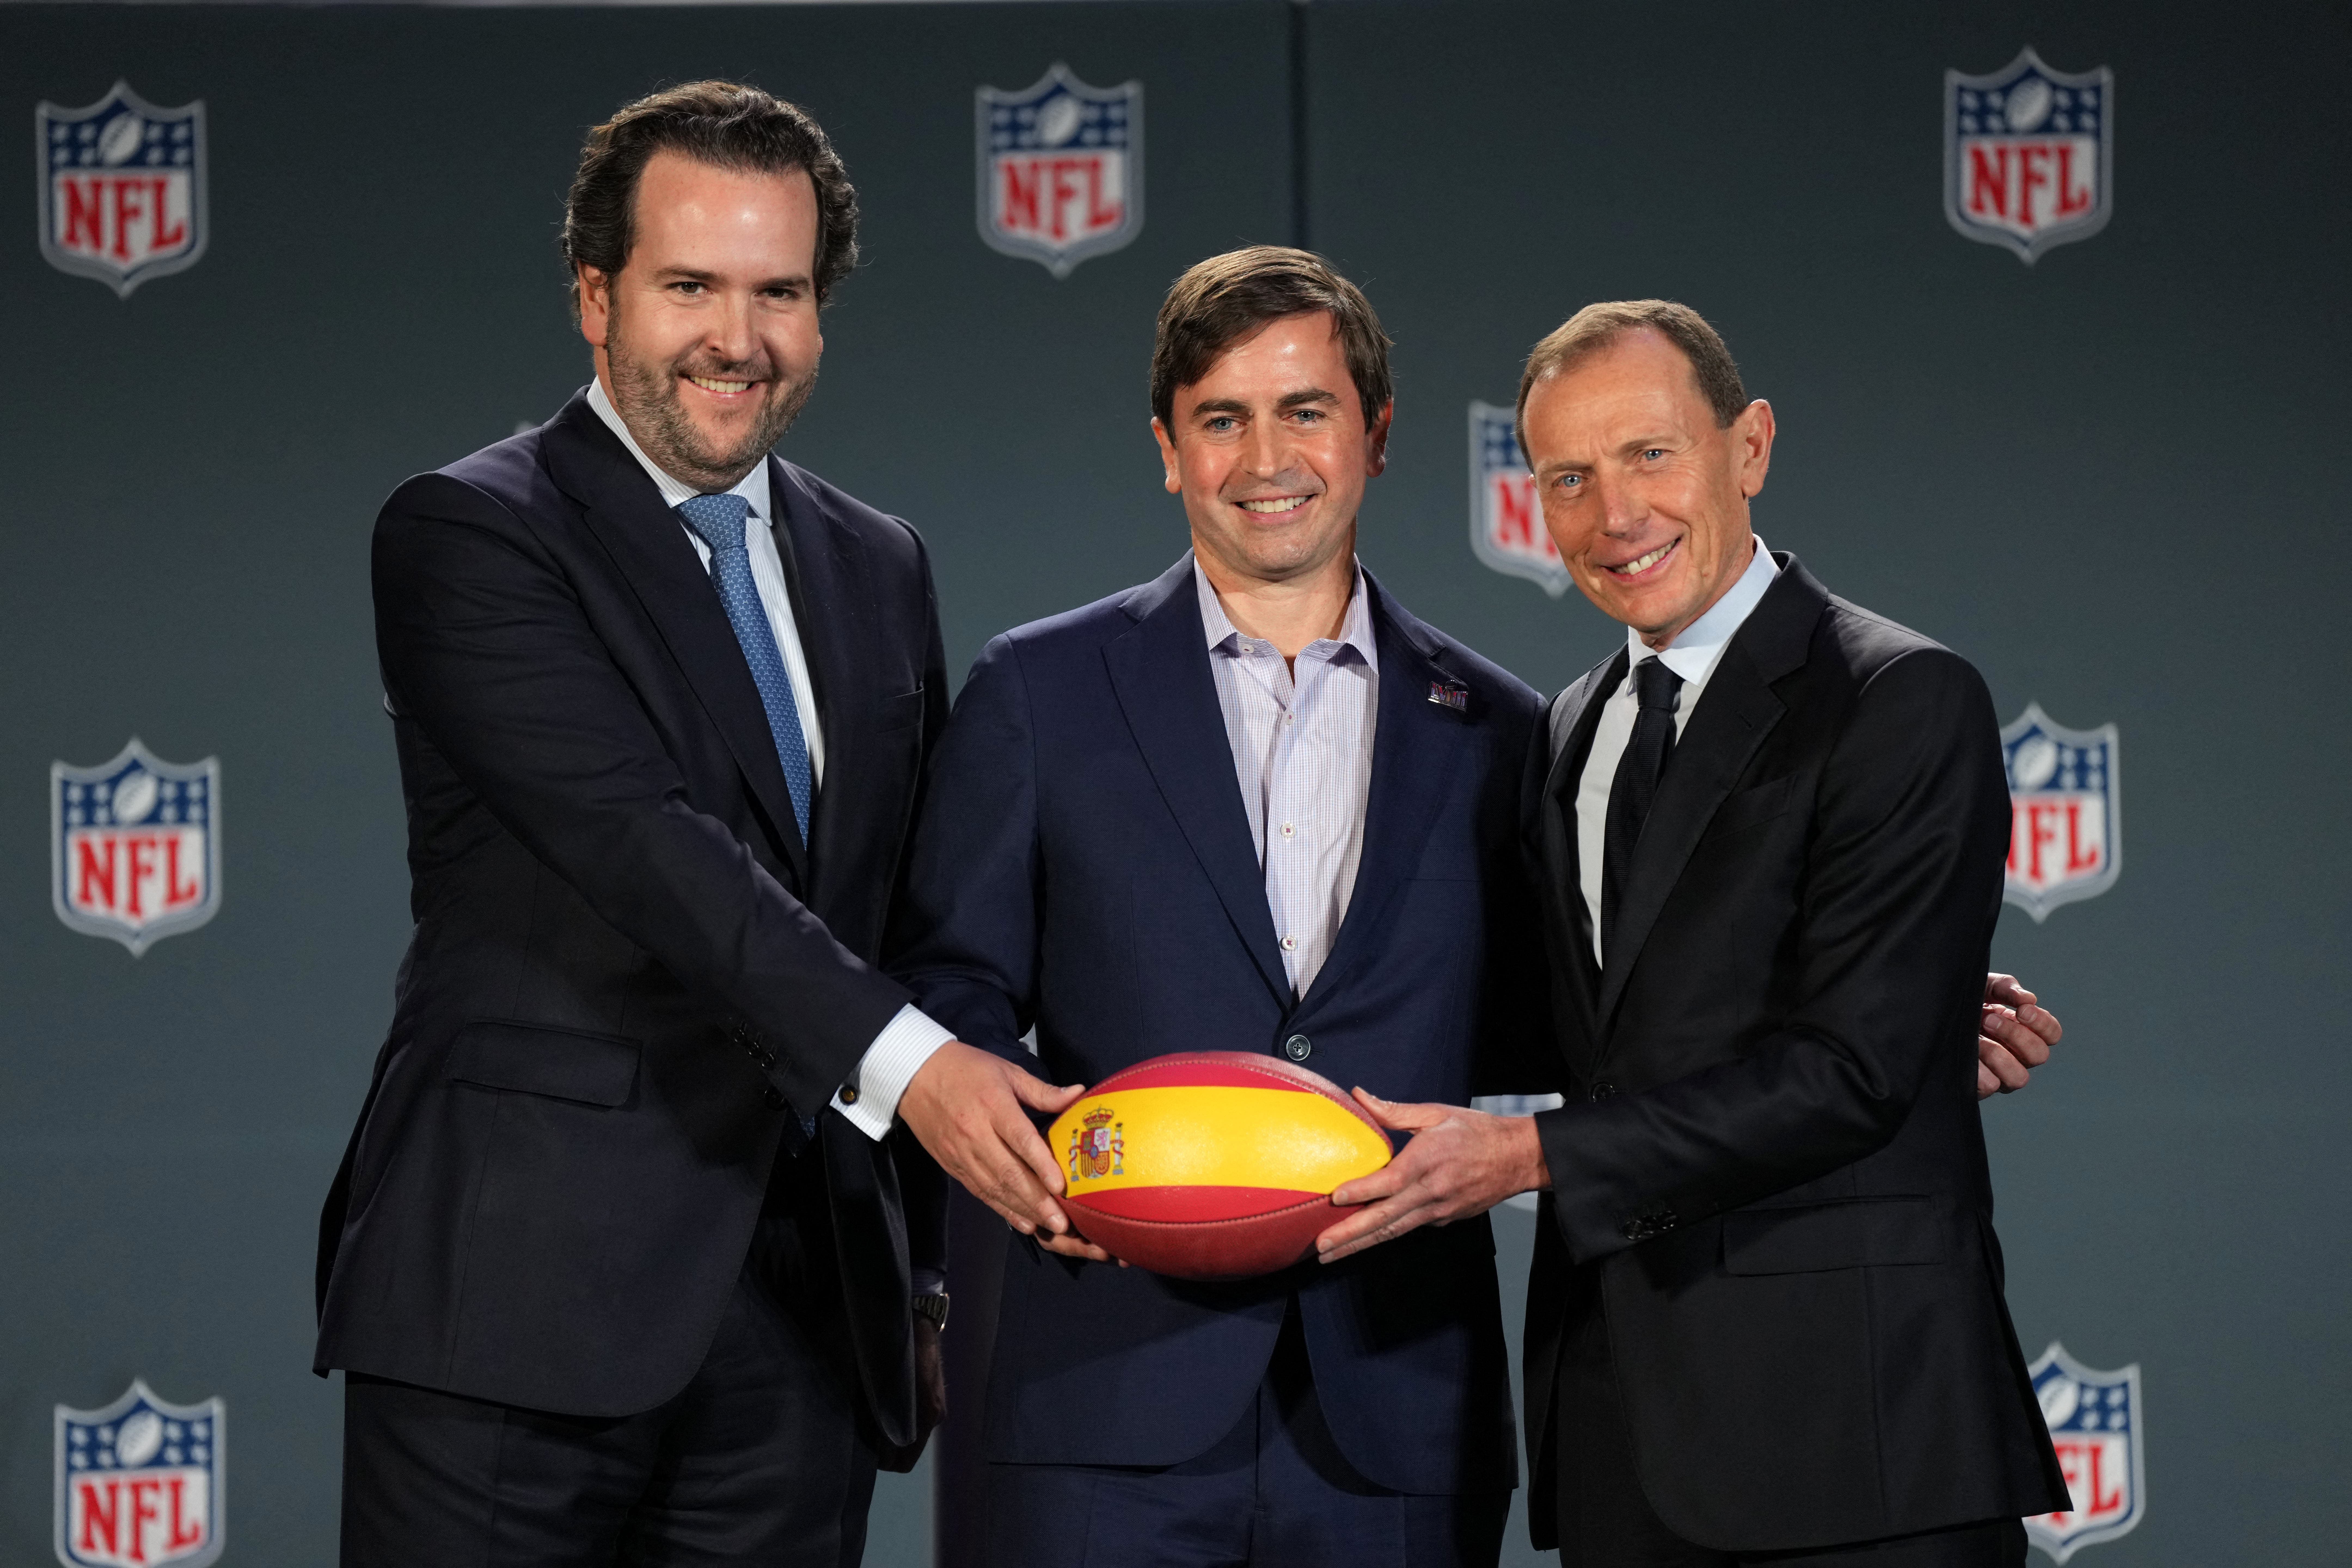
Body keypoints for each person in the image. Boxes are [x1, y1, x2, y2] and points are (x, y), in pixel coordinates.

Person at [889, 252, 2061, 1566]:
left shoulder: (1507, 730)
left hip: (1397, 1414)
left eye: (1307, 411)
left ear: (1379, 438)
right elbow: (950, 1001)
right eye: (1222, 418)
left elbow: (1564, 1026)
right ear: (1168, 449)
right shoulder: (1040, 691)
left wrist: (1883, 1011)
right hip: (1104, 1391)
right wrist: (1035, 1183)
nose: (1266, 457)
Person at [312, 81, 1080, 1564]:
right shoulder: (471, 531)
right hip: (512, 1316)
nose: (740, 337)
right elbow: (644, 843)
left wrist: (921, 1278)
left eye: (779, 291)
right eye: (692, 286)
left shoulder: (879, 563)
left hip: (801, 1329)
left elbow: (896, 923)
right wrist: (923, 1076)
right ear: (597, 299)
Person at [1314, 301, 2071, 1565]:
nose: (1615, 515)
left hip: (1853, 1444)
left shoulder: (1896, 696)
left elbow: (1854, 1072)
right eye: (1570, 477)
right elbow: (1596, 1019)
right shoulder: (1567, 726)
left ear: (1750, 447)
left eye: (1651, 454)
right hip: (1621, 1436)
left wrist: (1530, 1155)